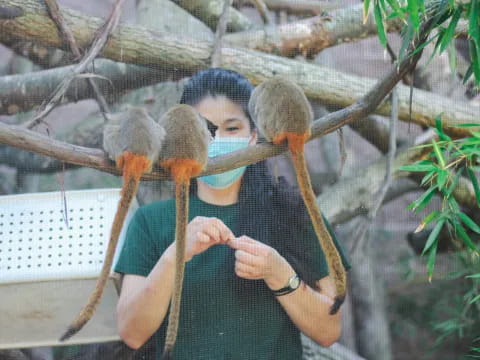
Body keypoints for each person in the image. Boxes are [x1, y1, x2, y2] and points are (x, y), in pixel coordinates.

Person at [114, 68, 351, 360]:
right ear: (187, 138)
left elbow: (329, 331)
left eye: (232, 128)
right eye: (206, 130)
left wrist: (279, 274)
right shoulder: (152, 221)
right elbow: (132, 333)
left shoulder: (292, 213)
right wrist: (174, 256)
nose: (220, 141)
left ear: (253, 135)